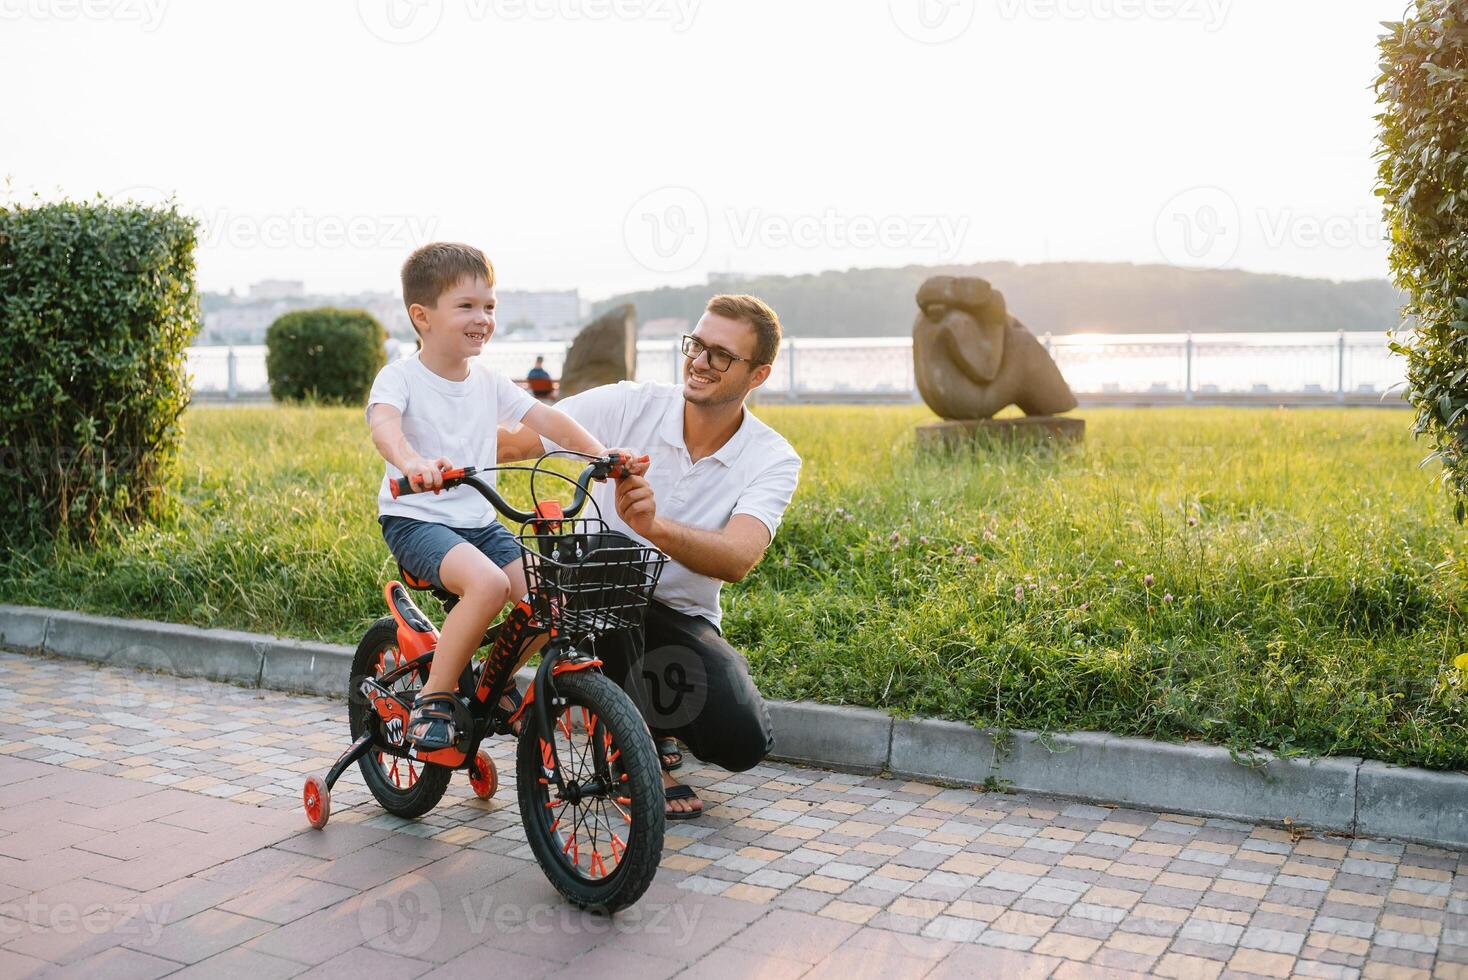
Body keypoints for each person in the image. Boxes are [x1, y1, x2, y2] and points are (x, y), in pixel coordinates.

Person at [498, 294, 801, 819]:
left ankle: (648, 723)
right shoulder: (626, 404)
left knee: (743, 740)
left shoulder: (771, 456)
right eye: (697, 345)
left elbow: (737, 558)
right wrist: (421, 441)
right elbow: (519, 442)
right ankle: (627, 751)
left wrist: (654, 527)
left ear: (758, 375)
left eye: (721, 355)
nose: (700, 362)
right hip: (593, 599)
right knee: (613, 559)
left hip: (678, 618)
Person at [366, 242, 644, 751]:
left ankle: (493, 683)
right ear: (421, 317)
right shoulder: (401, 377)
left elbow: (547, 419)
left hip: (478, 522)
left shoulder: (489, 381)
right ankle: (435, 696)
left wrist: (599, 454)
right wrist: (413, 464)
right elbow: (384, 426)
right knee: (490, 585)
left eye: (489, 306)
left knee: (548, 601)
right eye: (467, 306)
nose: (483, 318)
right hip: (416, 518)